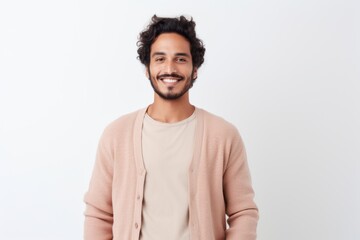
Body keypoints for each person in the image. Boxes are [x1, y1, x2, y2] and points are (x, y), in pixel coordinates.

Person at [84, 15, 259, 240]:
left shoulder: (223, 136)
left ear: (195, 69)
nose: (169, 68)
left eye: (180, 59)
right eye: (160, 59)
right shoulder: (117, 135)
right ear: (147, 68)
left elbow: (243, 212)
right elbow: (99, 214)